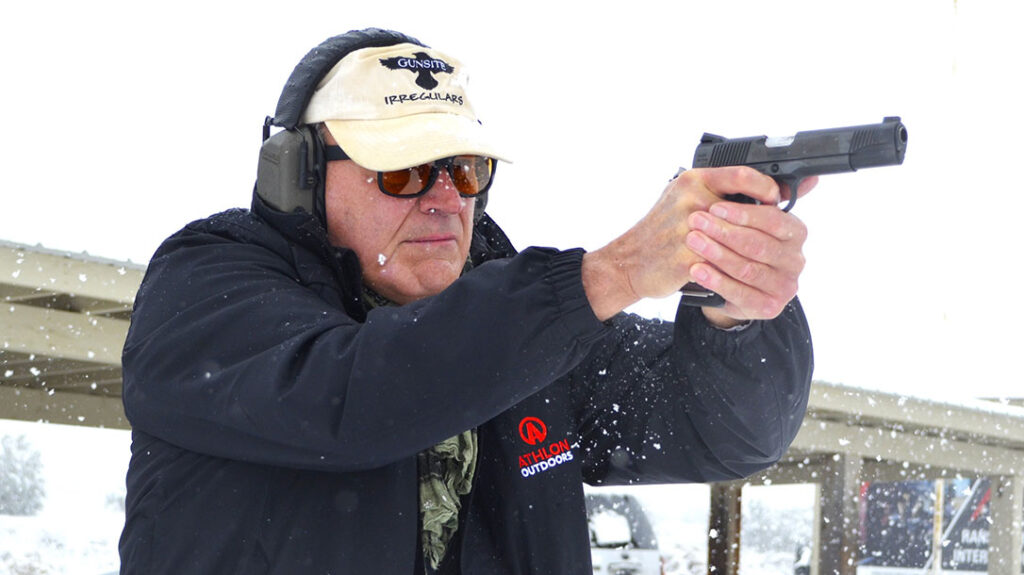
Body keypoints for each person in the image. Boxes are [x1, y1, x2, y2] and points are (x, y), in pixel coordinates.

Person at [119, 28, 815, 574]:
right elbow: (356, 398)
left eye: (463, 168)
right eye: (405, 171)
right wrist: (615, 271)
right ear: (298, 173)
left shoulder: (525, 330)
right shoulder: (205, 284)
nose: (448, 200)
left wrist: (730, 299)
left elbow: (719, 430)